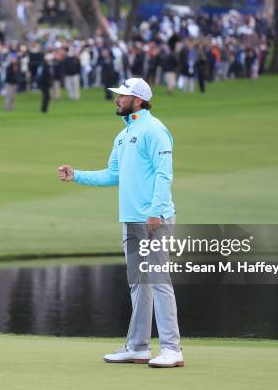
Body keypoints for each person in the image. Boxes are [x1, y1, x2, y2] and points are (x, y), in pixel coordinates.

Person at [57, 77, 183, 368]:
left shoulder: (155, 130)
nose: (117, 99)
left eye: (122, 96)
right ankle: (138, 347)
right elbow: (112, 175)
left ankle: (171, 349)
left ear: (138, 100)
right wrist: (77, 175)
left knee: (159, 282)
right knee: (138, 285)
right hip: (130, 219)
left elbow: (165, 175)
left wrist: (155, 211)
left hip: (155, 219)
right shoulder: (124, 134)